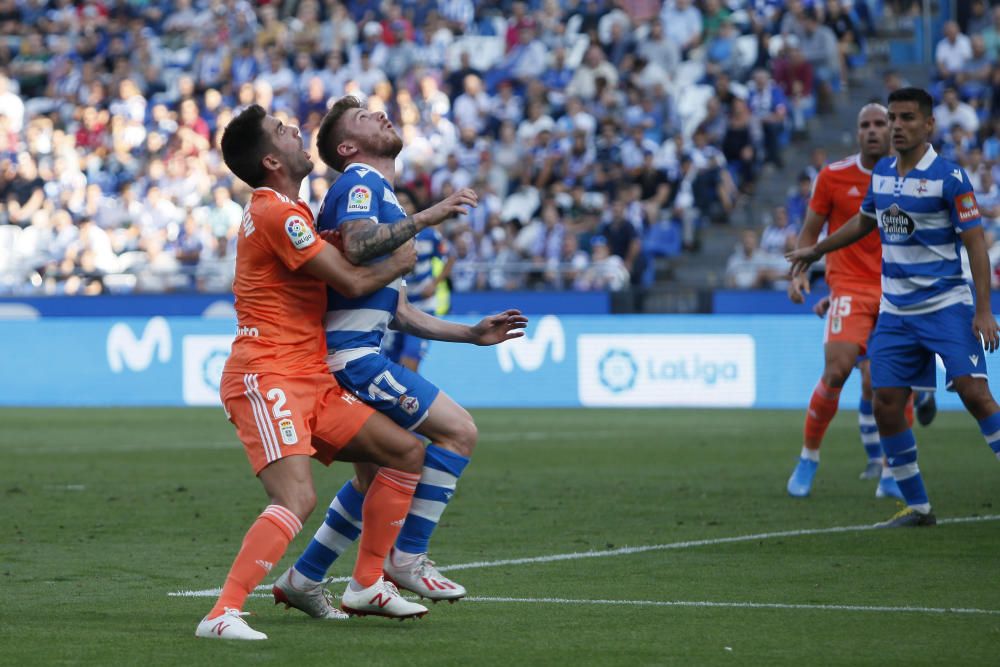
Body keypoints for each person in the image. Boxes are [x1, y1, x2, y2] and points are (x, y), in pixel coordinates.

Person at [273, 96, 527, 613]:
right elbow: (363, 245)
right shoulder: (360, 183)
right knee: (459, 431)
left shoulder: (377, 191)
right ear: (348, 146)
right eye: (365, 117)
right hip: (352, 358)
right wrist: (430, 215)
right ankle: (406, 557)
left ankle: (304, 578)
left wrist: (470, 334)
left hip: (349, 353)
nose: (380, 114)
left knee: (372, 478)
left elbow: (400, 310)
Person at [195, 104, 432, 641]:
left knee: (403, 452)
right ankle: (222, 613)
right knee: (296, 498)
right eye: (283, 130)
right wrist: (408, 246)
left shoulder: (292, 211)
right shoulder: (276, 213)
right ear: (272, 159)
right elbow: (349, 281)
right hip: (268, 373)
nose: (297, 130)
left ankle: (366, 583)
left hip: (311, 376)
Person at [788, 87, 1000, 528]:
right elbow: (863, 221)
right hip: (896, 311)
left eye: (906, 118)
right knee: (885, 400)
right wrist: (815, 252)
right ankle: (918, 507)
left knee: (974, 394)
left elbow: (976, 246)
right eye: (893, 117)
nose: (897, 126)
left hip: (945, 305)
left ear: (928, 126)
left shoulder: (950, 178)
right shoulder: (883, 173)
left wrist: (984, 309)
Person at [786, 103, 936, 499]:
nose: (872, 131)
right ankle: (809, 456)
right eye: (864, 125)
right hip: (849, 288)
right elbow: (809, 232)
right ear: (857, 133)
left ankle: (891, 470)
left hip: (896, 291)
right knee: (836, 370)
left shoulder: (914, 179)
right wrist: (801, 273)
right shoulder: (833, 177)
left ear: (892, 129)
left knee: (884, 383)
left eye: (879, 124)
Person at [382, 189, 455, 372]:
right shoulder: (384, 234)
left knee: (410, 357)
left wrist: (434, 283)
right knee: (390, 360)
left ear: (414, 206)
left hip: (421, 306)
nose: (403, 207)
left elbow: (450, 257)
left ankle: (408, 397)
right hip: (394, 308)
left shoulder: (429, 235)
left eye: (406, 202)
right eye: (398, 203)